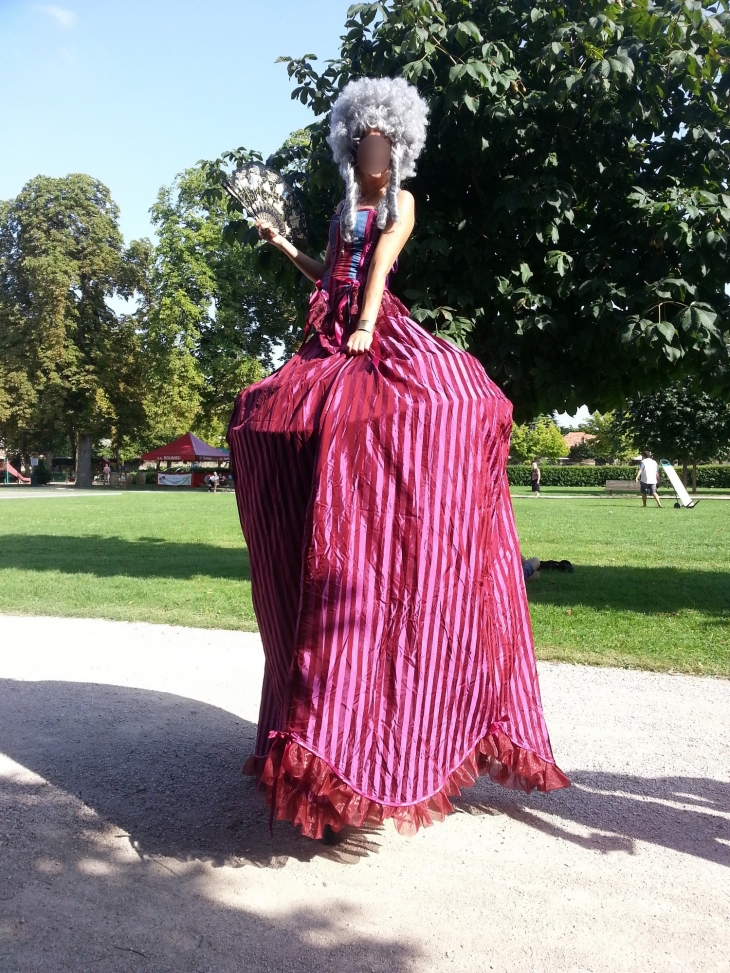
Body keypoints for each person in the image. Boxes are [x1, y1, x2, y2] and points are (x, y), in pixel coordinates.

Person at [227, 76, 568, 841]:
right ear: (353, 145)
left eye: (382, 142)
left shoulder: (399, 204)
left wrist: (367, 324)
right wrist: (287, 249)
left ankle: (419, 552)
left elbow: (379, 265)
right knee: (260, 417)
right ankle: (321, 655)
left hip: (373, 330)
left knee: (451, 404)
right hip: (330, 330)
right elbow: (332, 271)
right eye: (362, 142)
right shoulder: (342, 206)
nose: (371, 151)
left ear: (397, 148)